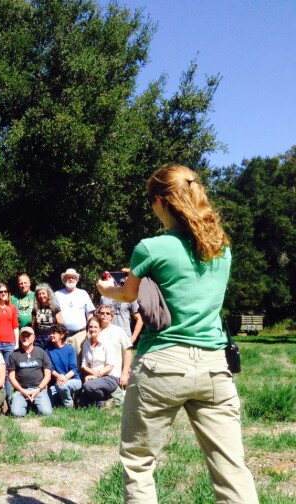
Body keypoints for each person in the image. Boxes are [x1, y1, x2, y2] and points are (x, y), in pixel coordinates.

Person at [97, 164, 258, 503]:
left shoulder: (151, 247)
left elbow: (127, 295)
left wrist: (107, 289)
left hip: (163, 364)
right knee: (231, 469)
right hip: (215, 367)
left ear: (160, 201)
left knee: (139, 464)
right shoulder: (221, 248)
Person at [8, 327, 52, 417]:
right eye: (23, 335)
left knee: (46, 413)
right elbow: (11, 377)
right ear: (19, 337)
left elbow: (48, 375)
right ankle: (26, 403)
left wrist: (38, 389)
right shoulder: (14, 354)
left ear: (33, 337)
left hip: (39, 389)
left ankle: (33, 403)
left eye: (28, 335)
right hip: (21, 390)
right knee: (16, 414)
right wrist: (22, 391)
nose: (25, 338)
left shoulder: (41, 352)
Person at [97, 305, 133, 406]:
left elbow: (128, 351)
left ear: (112, 317)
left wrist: (125, 373)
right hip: (99, 374)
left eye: (107, 313)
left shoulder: (118, 331)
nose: (105, 315)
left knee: (119, 400)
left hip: (115, 375)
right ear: (98, 315)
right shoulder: (95, 331)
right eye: (102, 313)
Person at [78, 317, 118, 408]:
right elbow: (84, 365)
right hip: (93, 378)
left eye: (95, 327)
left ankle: (105, 396)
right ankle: (103, 399)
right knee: (82, 404)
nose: (92, 329)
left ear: (100, 328)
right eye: (90, 327)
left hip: (109, 377)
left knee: (87, 386)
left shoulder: (107, 343)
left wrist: (96, 375)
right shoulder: (86, 344)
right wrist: (92, 373)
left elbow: (110, 365)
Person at [55, 268, 95, 358]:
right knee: (64, 360)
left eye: (73, 277)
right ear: (64, 280)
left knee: (81, 360)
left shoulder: (83, 293)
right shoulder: (57, 294)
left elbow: (90, 315)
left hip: (80, 334)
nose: (70, 279)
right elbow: (54, 314)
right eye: (68, 277)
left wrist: (89, 332)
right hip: (63, 335)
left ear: (76, 280)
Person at [45, 324, 81, 408]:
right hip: (56, 382)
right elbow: (50, 368)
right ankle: (63, 398)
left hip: (73, 380)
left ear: (62, 335)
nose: (51, 335)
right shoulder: (48, 350)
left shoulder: (69, 349)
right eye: (51, 333)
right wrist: (59, 377)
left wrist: (65, 378)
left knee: (62, 386)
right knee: (48, 405)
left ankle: (69, 406)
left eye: (54, 333)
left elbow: (74, 369)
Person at [32, 283, 63, 349]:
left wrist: (59, 339)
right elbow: (33, 325)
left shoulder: (55, 308)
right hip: (39, 339)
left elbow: (60, 325)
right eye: (39, 294)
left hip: (51, 338)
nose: (41, 296)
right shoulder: (35, 309)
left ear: (48, 294)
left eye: (43, 293)